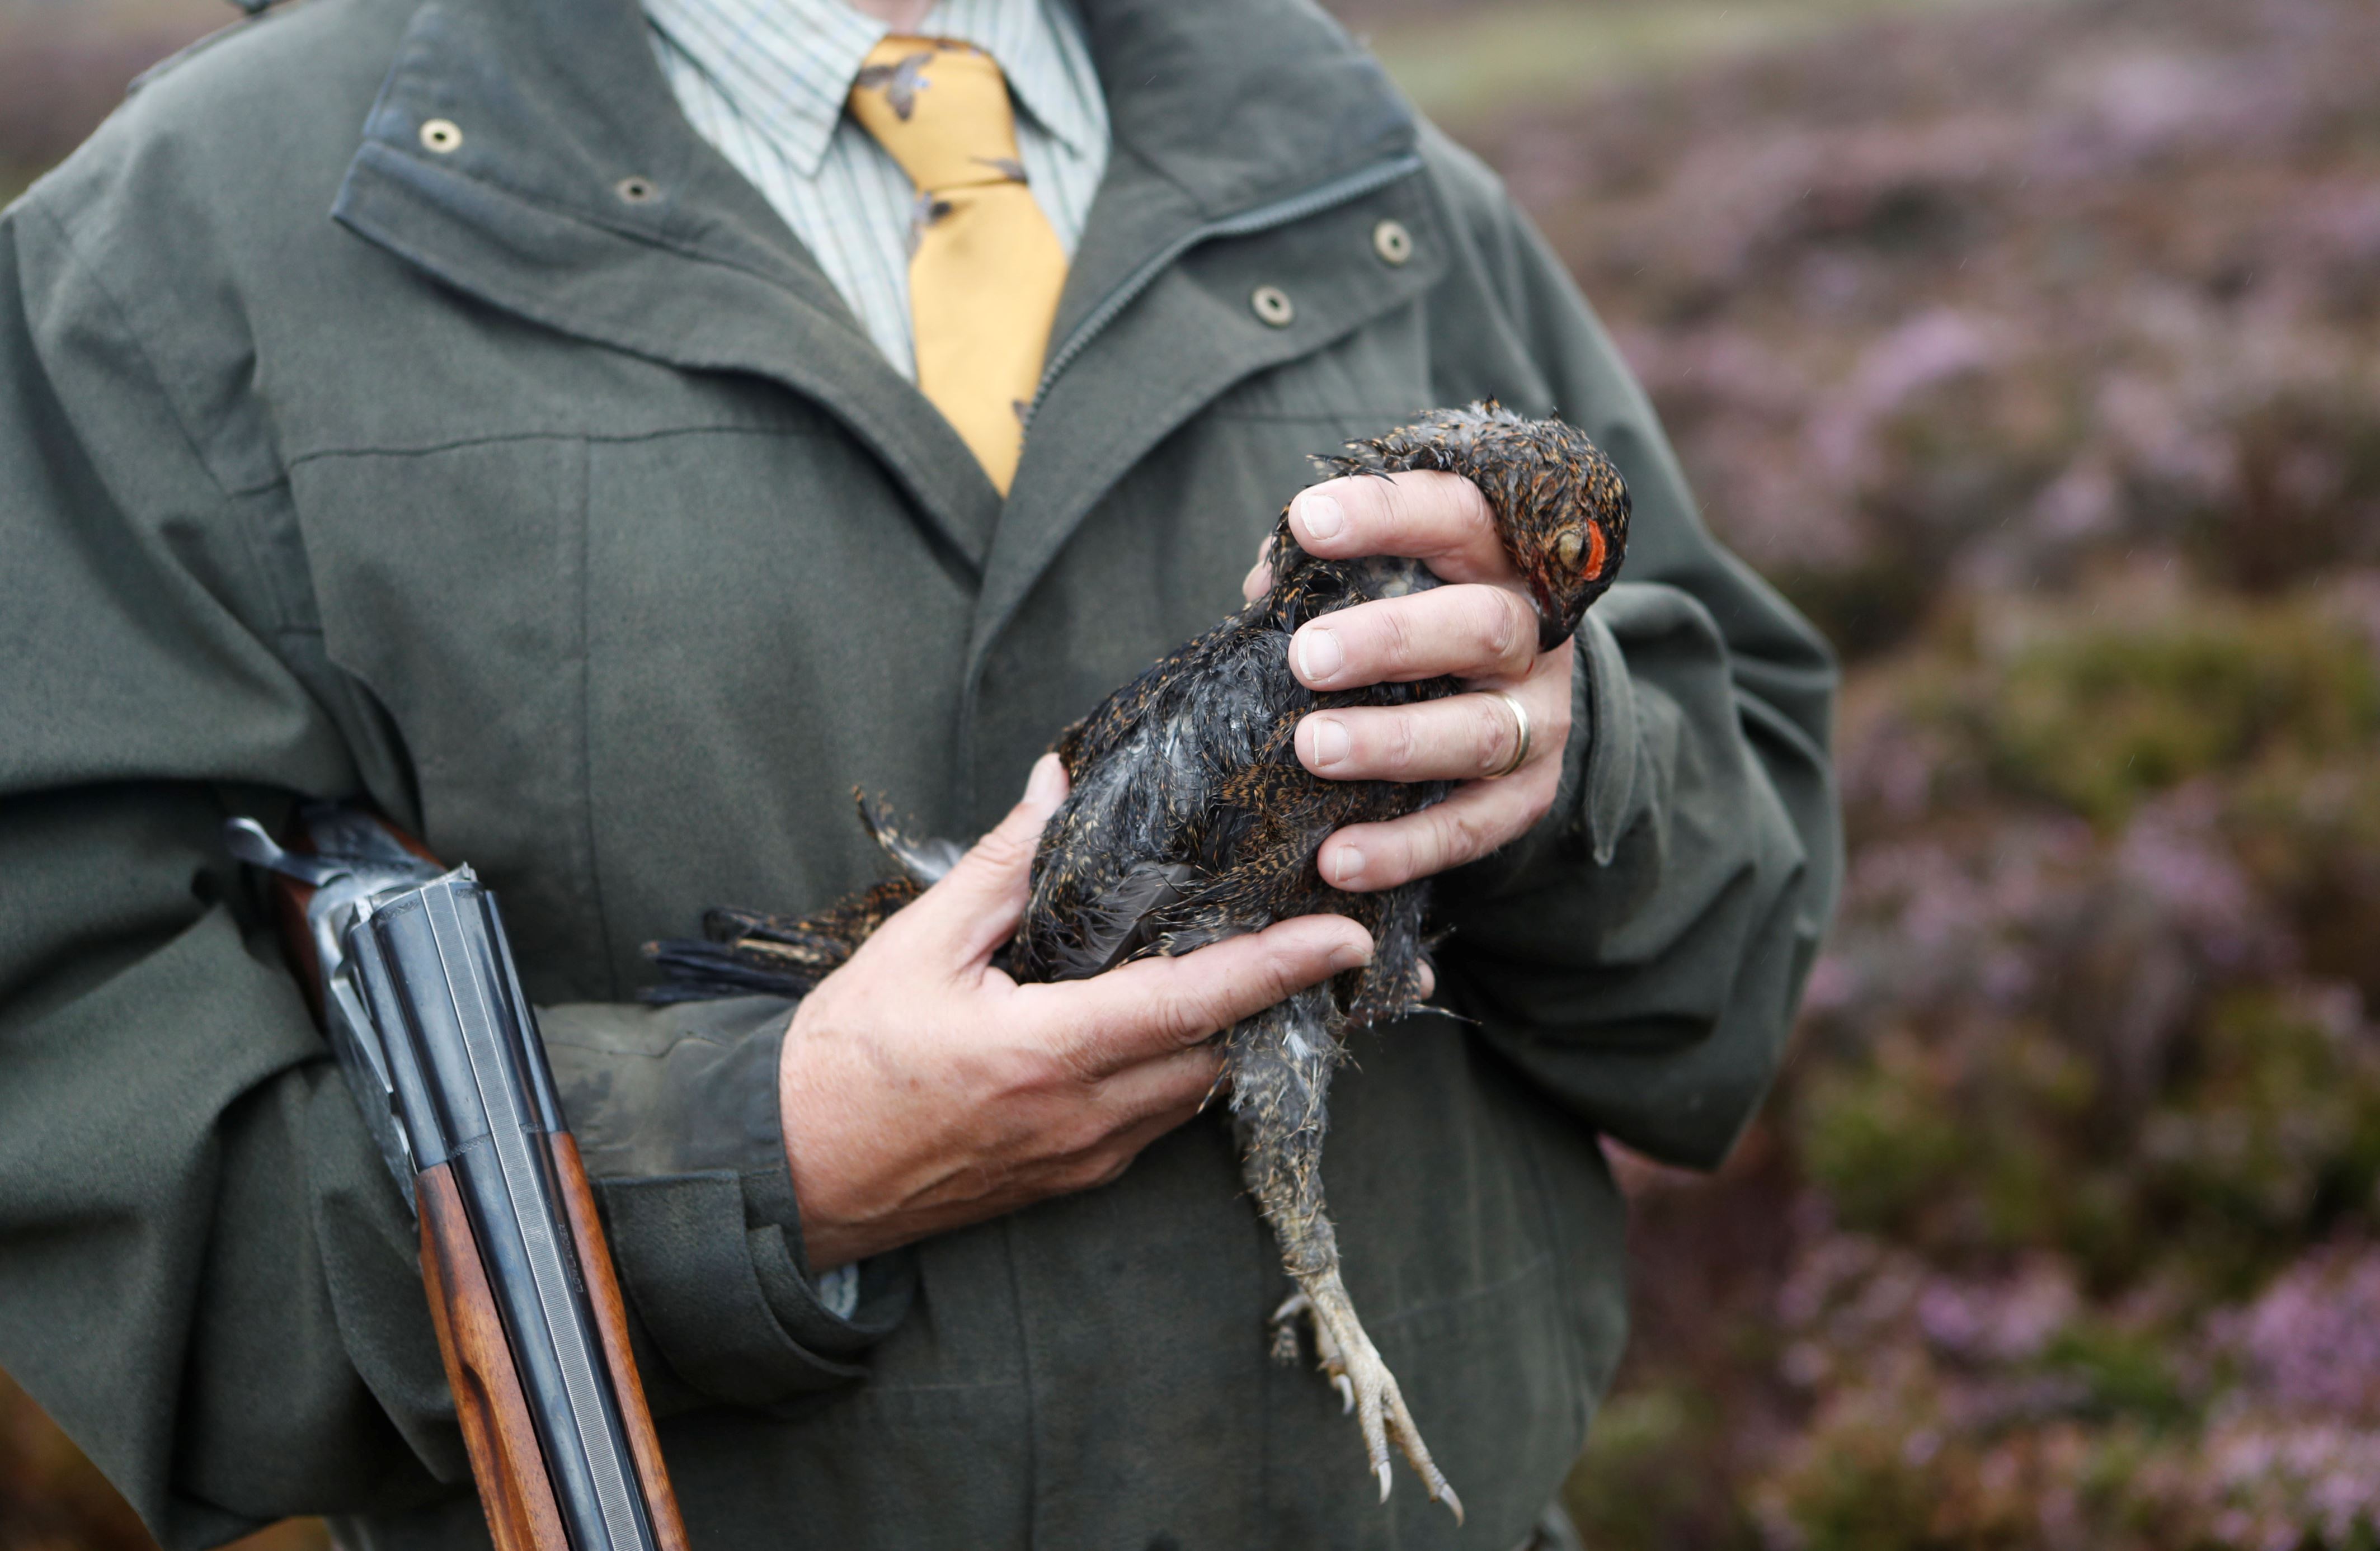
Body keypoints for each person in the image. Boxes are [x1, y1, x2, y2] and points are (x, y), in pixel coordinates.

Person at [0, 0, 1841, 1545]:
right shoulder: (184, 247)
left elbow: (1734, 980)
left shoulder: (1363, 166)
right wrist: (744, 1166)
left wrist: (1575, 764)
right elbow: (88, 1153)